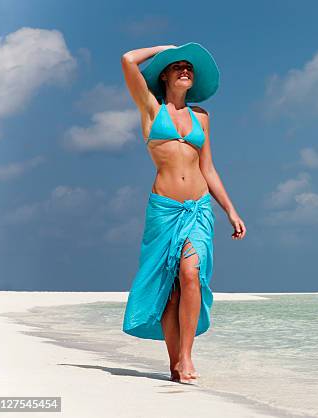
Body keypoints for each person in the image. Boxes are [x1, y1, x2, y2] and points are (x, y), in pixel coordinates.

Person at [120, 43, 246, 384]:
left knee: (191, 275)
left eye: (188, 66)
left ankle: (187, 356)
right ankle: (175, 361)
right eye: (177, 66)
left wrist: (231, 211)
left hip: (198, 208)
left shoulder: (202, 117)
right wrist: (167, 49)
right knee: (170, 290)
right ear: (165, 75)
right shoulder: (150, 110)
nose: (185, 70)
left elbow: (208, 167)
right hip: (164, 210)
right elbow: (128, 60)